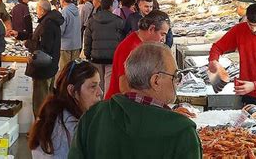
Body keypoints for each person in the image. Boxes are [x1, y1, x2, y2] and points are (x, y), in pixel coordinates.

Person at [69, 43, 202, 159]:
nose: (177, 82)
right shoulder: (182, 131)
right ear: (155, 81)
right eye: (175, 76)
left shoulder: (92, 117)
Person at [208, 3, 256, 107]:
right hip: (245, 93)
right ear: (246, 19)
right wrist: (213, 61)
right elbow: (217, 47)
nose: (254, 29)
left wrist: (254, 86)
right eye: (250, 25)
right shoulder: (240, 30)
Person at [29, 60, 102, 159]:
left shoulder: (53, 112)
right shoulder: (70, 127)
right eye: (93, 86)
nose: (100, 92)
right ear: (72, 90)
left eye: (99, 85)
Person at [105, 10, 171, 99]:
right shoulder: (130, 48)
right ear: (151, 29)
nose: (164, 40)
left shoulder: (143, 43)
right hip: (118, 105)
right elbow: (125, 88)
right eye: (162, 34)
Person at [23, 0, 64, 117]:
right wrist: (21, 35)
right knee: (48, 98)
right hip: (50, 66)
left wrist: (28, 43)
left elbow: (44, 47)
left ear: (41, 9)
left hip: (42, 69)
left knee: (40, 102)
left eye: (37, 8)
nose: (36, 11)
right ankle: (47, 127)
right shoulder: (51, 22)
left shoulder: (47, 24)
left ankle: (41, 129)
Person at [83, 0, 124, 93]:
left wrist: (87, 54)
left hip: (96, 56)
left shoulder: (92, 20)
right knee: (109, 82)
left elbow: (87, 39)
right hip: (112, 57)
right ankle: (107, 101)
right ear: (111, 7)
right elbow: (121, 39)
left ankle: (98, 100)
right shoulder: (118, 21)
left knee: (98, 81)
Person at [59, 0, 82, 71]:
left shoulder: (64, 12)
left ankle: (65, 83)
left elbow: (61, 29)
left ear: (62, 0)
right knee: (74, 69)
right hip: (76, 44)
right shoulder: (76, 10)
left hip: (66, 45)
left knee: (65, 69)